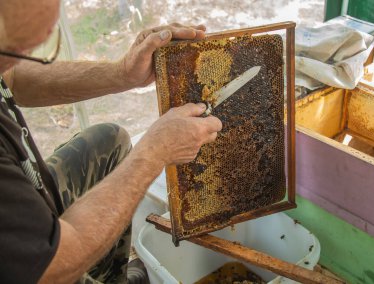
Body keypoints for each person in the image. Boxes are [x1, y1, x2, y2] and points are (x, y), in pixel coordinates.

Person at [0, 0, 223, 283]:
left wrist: (123, 73)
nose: (27, 57)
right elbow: (49, 267)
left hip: (25, 197)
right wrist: (153, 154)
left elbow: (13, 78)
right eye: (19, 47)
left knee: (108, 143)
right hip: (42, 267)